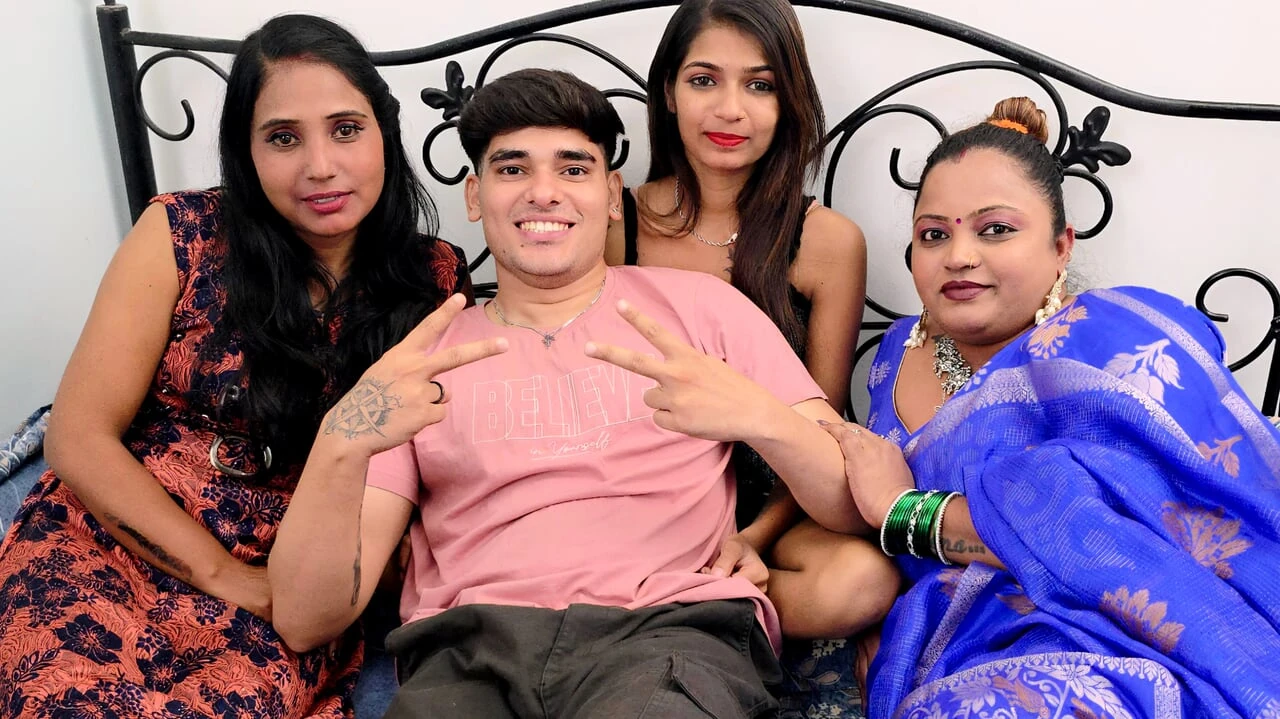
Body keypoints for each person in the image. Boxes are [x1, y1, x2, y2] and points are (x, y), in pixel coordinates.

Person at [268, 68, 868, 719]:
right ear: (475, 195)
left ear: (611, 195)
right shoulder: (422, 357)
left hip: (666, 634)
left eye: (573, 168)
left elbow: (852, 502)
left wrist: (760, 417)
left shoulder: (703, 310)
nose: (544, 192)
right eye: (513, 169)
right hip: (468, 651)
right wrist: (341, 439)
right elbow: (304, 620)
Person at [0, 15, 470, 718]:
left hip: (288, 580)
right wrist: (223, 574)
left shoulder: (433, 280)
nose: (320, 165)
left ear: (385, 132)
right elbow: (78, 437)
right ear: (246, 151)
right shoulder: (180, 235)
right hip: (114, 538)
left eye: (346, 129)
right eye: (283, 137)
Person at [822, 97, 1280, 717]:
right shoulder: (893, 353)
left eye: (995, 229)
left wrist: (903, 511)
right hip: (970, 640)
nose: (958, 255)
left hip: (1132, 634)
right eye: (934, 234)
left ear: (1062, 246)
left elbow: (1127, 532)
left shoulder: (1121, 342)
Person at [607, 0, 893, 643]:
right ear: (669, 93)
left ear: (788, 102)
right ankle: (679, 607)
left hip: (772, 505)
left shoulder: (826, 241)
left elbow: (823, 429)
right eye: (704, 80)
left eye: (759, 85)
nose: (730, 109)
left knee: (858, 580)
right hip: (643, 495)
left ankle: (688, 603)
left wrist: (752, 537)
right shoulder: (612, 222)